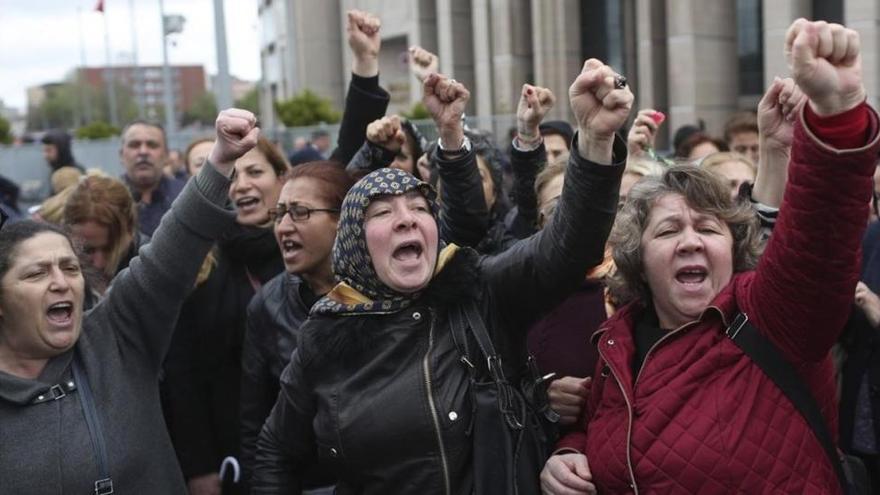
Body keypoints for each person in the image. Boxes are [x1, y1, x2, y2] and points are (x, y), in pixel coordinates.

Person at [251, 57, 632, 494]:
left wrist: (596, 140)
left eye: (419, 208)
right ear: (354, 242)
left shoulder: (480, 292)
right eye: (382, 213)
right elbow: (274, 453)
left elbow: (568, 246)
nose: (406, 220)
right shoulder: (323, 337)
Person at [541, 19, 877, 494]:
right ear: (638, 257)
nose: (691, 241)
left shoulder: (772, 320)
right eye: (669, 230)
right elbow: (607, 428)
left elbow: (819, 241)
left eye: (708, 227)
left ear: (734, 247)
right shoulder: (615, 344)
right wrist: (569, 451)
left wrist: (837, 112)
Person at [0, 107, 255, 493]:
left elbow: (174, 249)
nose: (60, 283)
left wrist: (220, 159)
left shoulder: (116, 335)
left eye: (70, 268)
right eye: (36, 273)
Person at [239, 162, 355, 490]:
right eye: (279, 214)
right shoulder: (266, 306)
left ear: (343, 220)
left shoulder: (388, 290)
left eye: (300, 212)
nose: (283, 227)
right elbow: (256, 428)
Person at [62, 174, 146, 296]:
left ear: (130, 229)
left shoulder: (152, 271)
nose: (99, 263)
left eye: (110, 249)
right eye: (86, 250)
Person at [119, 120, 186, 236]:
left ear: (166, 155)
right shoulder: (104, 200)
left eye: (152, 145)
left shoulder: (185, 197)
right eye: (134, 145)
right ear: (121, 155)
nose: (143, 152)